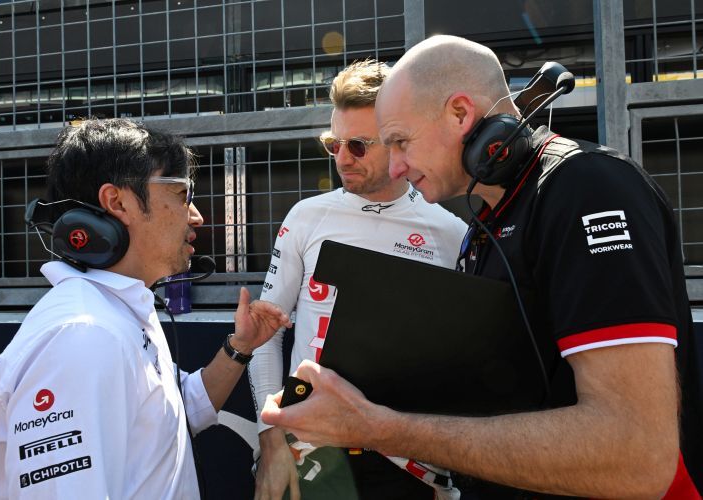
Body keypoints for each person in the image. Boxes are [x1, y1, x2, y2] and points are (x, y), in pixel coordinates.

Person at [262, 36, 702, 498]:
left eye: (399, 142)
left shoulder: (590, 191)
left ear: (459, 113)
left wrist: (380, 429)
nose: (394, 168)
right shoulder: (485, 224)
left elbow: (637, 455)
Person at [0, 119, 291, 499]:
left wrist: (240, 348)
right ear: (118, 202)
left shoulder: (117, 312)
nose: (196, 217)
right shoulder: (84, 336)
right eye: (181, 194)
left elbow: (173, 414)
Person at [249, 59, 467, 499]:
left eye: (359, 146)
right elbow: (265, 336)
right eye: (333, 143)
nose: (342, 159)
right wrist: (269, 436)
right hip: (310, 452)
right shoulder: (306, 218)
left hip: (408, 462)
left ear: (395, 142)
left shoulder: (450, 233)